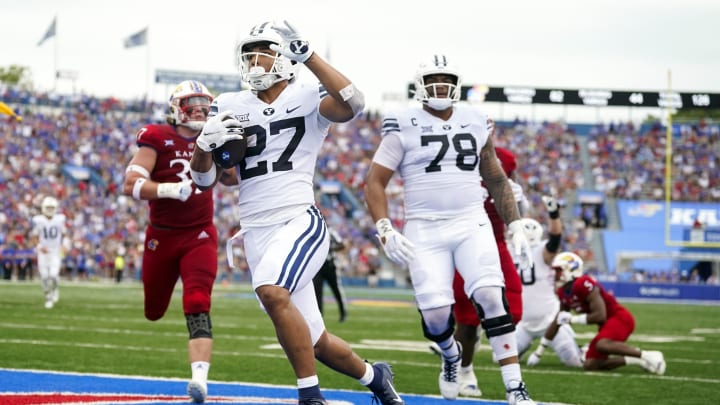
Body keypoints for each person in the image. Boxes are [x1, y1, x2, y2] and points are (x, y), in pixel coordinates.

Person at [188, 21, 403, 405]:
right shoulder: (229, 104)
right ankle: (376, 377)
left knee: (271, 290)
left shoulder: (307, 93)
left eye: (262, 52)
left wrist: (311, 57)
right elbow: (210, 181)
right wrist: (204, 144)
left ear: (284, 58)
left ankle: (310, 396)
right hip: (255, 228)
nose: (253, 61)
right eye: (248, 54)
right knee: (315, 341)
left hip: (298, 218)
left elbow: (354, 104)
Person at [364, 54, 536, 405]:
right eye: (432, 80)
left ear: (456, 84)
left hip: (472, 221)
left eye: (446, 80)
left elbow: (494, 175)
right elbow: (375, 182)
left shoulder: (476, 120)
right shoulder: (402, 121)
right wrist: (384, 227)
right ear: (420, 85)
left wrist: (514, 221)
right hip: (424, 228)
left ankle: (516, 389)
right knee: (436, 314)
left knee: (490, 296)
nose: (440, 86)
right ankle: (450, 355)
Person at [122, 80, 237, 403]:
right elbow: (130, 184)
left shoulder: (211, 136)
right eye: (192, 103)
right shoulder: (157, 137)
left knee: (198, 300)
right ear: (176, 108)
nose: (200, 110)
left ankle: (199, 379)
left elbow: (233, 179)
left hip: (199, 234)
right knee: (154, 310)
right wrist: (168, 189)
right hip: (161, 236)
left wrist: (231, 151)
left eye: (204, 104)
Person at [429, 143, 528, 398]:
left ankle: (487, 342)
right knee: (466, 317)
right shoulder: (450, 154)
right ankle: (464, 369)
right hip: (463, 238)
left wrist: (520, 201)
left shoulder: (505, 158)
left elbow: (515, 206)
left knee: (513, 307)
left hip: (496, 239)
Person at [549, 251, 666, 374]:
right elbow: (559, 319)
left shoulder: (583, 283)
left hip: (619, 318)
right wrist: (540, 350)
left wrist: (572, 319)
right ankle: (637, 360)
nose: (555, 274)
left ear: (570, 269)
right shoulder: (563, 291)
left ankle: (647, 356)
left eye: (558, 270)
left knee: (602, 344)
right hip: (606, 324)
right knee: (591, 364)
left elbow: (600, 316)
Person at [515, 198, 584, 369]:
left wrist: (554, 214)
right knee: (498, 358)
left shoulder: (541, 251)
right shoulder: (511, 251)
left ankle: (585, 348)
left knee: (573, 361)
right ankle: (524, 346)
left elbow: (555, 239)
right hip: (524, 324)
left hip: (550, 320)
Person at [30, 196, 66, 309]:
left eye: (52, 207)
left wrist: (64, 245)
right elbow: (34, 237)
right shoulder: (38, 220)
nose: (50, 210)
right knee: (44, 277)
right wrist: (40, 246)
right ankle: (48, 298)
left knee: (53, 275)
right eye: (48, 207)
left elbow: (64, 234)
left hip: (55, 252)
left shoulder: (60, 219)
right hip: (43, 253)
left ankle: (55, 289)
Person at [313, 227, 348, 322]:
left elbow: (341, 245)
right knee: (317, 291)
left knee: (336, 289)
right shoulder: (313, 231)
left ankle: (343, 312)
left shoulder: (331, 231)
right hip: (318, 266)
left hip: (330, 265)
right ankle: (319, 316)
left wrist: (328, 248)